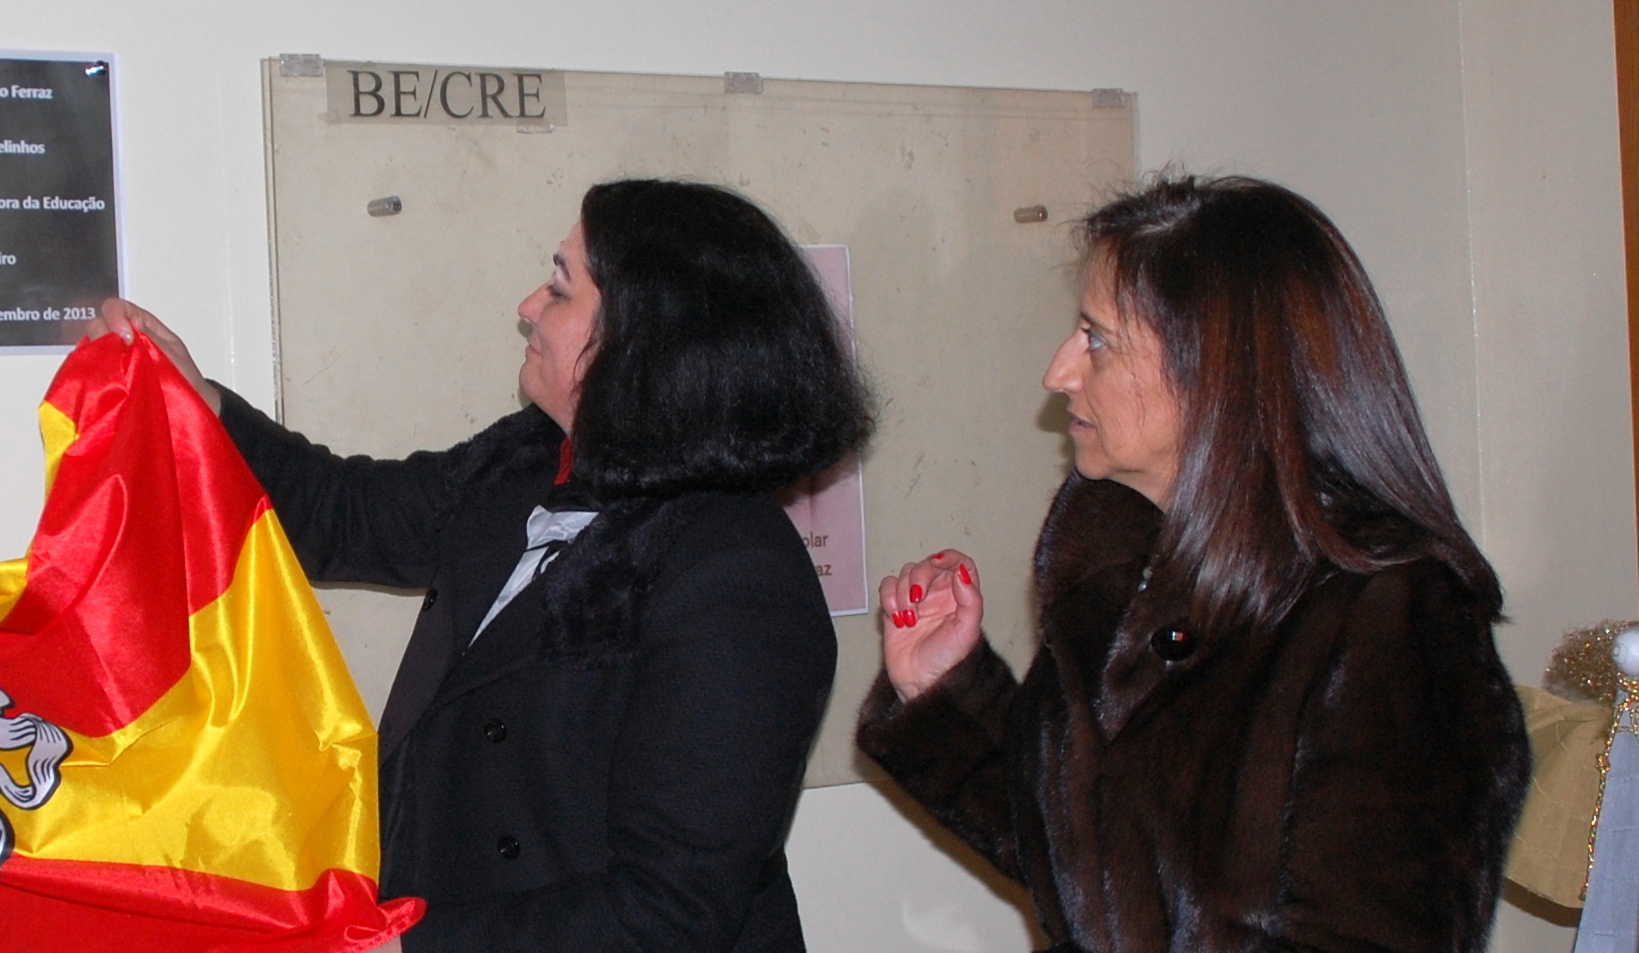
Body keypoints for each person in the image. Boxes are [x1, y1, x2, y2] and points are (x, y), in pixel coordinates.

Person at [94, 178, 872, 951]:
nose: (528, 306)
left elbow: (666, 912)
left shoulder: (737, 581)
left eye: (562, 291)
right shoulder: (529, 457)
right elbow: (350, 512)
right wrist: (200, 405)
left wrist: (410, 948)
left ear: (650, 344)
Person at [857, 175, 1530, 953]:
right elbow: (1100, 876)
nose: (1058, 372)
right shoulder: (1129, 575)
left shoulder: (1391, 615)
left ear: (1217, 371)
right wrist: (942, 691)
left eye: (1096, 338)